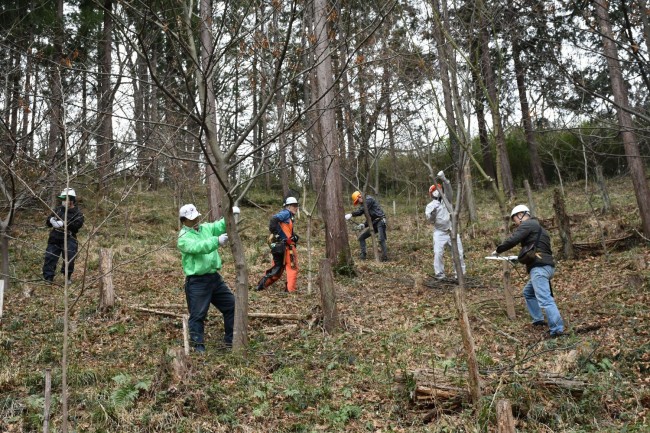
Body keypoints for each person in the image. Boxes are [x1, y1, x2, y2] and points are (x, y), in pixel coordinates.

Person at [493, 204, 565, 338]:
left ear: (521, 215)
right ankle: (538, 320)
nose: (514, 222)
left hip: (539, 269)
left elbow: (513, 239)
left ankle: (557, 329)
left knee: (545, 299)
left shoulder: (528, 224)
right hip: (547, 267)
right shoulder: (540, 229)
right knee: (528, 292)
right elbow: (537, 249)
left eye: (514, 218)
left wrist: (499, 250)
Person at [177, 203, 236, 352]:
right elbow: (198, 247)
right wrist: (216, 241)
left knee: (231, 306)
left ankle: (231, 342)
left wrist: (231, 214)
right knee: (197, 315)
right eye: (191, 219)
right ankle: (198, 348)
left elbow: (219, 225)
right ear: (183, 221)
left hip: (214, 278)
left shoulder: (206, 228)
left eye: (196, 217)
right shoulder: (183, 238)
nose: (195, 221)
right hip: (197, 282)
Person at [424, 170, 466, 279]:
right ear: (431, 194)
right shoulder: (430, 206)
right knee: (438, 253)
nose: (437, 191)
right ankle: (440, 275)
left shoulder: (447, 200)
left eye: (438, 189)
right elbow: (430, 219)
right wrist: (433, 213)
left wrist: (444, 180)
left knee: (459, 253)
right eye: (434, 190)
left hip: (452, 230)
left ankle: (460, 274)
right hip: (439, 232)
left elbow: (449, 191)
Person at [256, 197, 300, 292]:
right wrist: (280, 237)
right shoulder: (286, 213)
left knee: (277, 270)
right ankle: (290, 291)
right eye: (294, 206)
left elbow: (285, 231)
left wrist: (294, 237)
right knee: (292, 268)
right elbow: (273, 220)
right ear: (288, 206)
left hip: (281, 247)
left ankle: (260, 287)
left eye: (297, 205)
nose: (296, 208)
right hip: (287, 247)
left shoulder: (289, 216)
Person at [43, 188, 85, 284]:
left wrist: (65, 224)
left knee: (69, 258)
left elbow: (77, 226)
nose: (64, 201)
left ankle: (67, 277)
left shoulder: (78, 213)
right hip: (55, 237)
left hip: (69, 238)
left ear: (72, 200)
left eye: (66, 199)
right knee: (50, 257)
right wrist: (51, 221)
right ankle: (48, 278)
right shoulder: (57, 210)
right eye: (63, 199)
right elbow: (48, 222)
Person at [345, 191, 387, 261]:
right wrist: (364, 225)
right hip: (373, 223)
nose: (359, 202)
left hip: (380, 221)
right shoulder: (364, 204)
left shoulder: (368, 199)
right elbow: (369, 217)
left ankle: (385, 258)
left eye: (358, 200)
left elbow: (361, 211)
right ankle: (363, 255)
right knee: (361, 237)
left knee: (381, 239)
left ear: (360, 196)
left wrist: (351, 214)